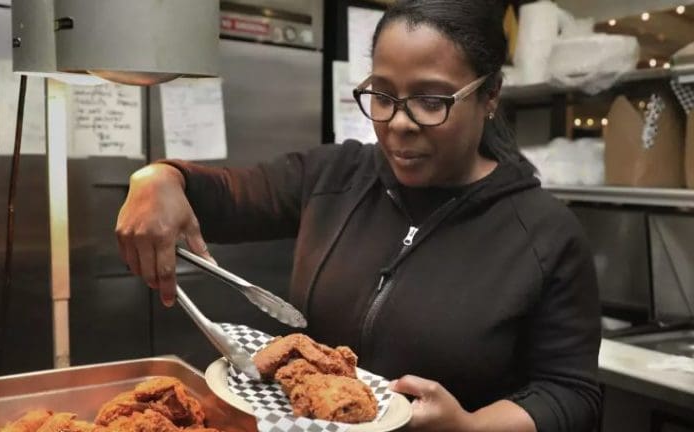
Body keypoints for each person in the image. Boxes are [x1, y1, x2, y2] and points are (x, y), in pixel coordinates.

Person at [115, 1, 601, 431]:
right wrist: (159, 178)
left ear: (490, 94)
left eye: (432, 101)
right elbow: (222, 196)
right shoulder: (333, 175)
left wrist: (470, 427)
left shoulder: (544, 233)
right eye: (384, 96)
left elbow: (568, 393)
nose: (399, 124)